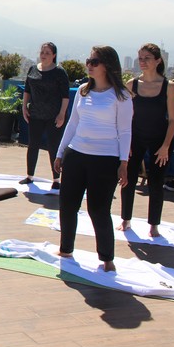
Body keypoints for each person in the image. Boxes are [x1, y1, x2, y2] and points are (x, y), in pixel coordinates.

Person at [54, 46, 132, 272]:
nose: (89, 64)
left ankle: (107, 258)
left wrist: (123, 162)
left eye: (95, 61)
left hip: (105, 159)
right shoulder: (82, 91)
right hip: (76, 154)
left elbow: (125, 131)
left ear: (107, 65)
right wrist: (60, 152)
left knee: (98, 209)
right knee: (67, 204)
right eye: (88, 60)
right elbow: (73, 124)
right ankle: (66, 248)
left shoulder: (121, 96)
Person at [117, 43, 174, 237]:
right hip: (135, 138)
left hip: (160, 140)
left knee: (156, 181)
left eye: (147, 58)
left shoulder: (168, 86)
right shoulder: (131, 84)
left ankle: (154, 225)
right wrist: (124, 144)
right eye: (140, 58)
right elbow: (124, 117)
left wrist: (165, 146)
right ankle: (125, 219)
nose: (142, 62)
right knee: (128, 178)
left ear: (158, 61)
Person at [20, 42, 70, 189]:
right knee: (33, 144)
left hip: (53, 115)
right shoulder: (33, 69)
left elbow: (65, 96)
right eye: (42, 52)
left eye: (47, 53)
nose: (44, 55)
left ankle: (56, 179)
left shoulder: (59, 72)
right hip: (35, 113)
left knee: (53, 146)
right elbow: (27, 90)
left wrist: (61, 114)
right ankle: (29, 176)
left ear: (54, 55)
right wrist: (24, 107)